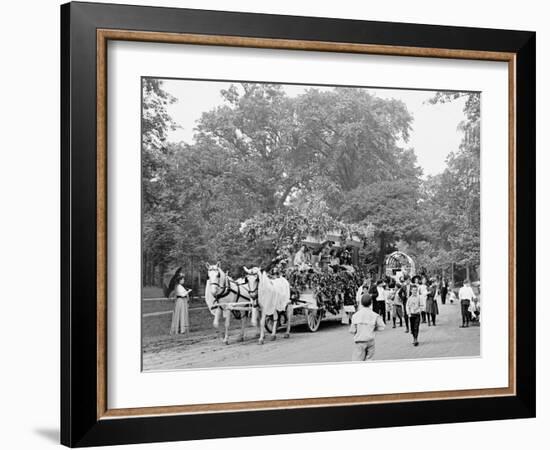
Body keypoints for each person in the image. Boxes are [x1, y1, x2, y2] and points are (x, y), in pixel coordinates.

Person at [349, 294, 386, 361]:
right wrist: (374, 328)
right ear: (371, 303)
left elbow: (352, 330)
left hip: (359, 341)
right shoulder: (375, 315)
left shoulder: (355, 316)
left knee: (358, 361)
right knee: (369, 360)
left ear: (361, 303)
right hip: (370, 341)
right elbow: (382, 327)